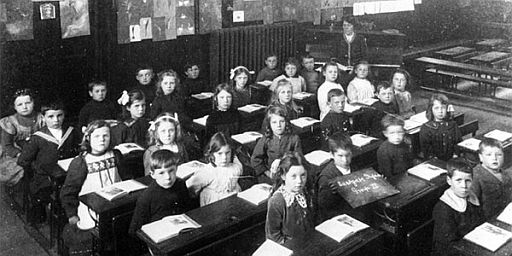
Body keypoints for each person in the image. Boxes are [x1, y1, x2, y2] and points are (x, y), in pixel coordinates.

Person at [60, 120, 125, 255]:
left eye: (105, 136)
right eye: (96, 136)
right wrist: (71, 214)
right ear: (88, 138)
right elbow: (68, 192)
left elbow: (125, 178)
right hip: (91, 208)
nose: (102, 140)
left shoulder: (116, 155)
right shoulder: (81, 162)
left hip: (115, 203)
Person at [18, 100, 80, 222]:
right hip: (45, 179)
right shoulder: (37, 138)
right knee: (46, 193)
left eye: (59, 115)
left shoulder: (71, 132)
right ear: (43, 117)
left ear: (64, 115)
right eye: (51, 116)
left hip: (68, 175)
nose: (56, 120)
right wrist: (38, 167)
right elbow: (23, 160)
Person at [129, 150, 194, 235]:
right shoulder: (146, 197)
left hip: (181, 232)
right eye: (161, 173)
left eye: (171, 171)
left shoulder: (180, 184)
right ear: (152, 174)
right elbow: (134, 231)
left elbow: (188, 210)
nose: (167, 177)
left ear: (176, 169)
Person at [432, 158, 483, 256]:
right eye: (458, 180)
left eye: (468, 181)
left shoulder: (472, 198)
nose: (464, 185)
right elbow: (447, 246)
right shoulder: (443, 208)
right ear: (449, 180)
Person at [265, 152, 314, 246]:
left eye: (303, 175)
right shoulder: (277, 200)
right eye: (293, 176)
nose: (299, 181)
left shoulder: (305, 192)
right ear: (283, 176)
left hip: (307, 243)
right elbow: (273, 236)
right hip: (288, 247)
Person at [317, 132, 366, 221]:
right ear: (332, 155)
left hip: (357, 210)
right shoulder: (326, 177)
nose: (345, 160)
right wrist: (330, 193)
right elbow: (324, 206)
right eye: (340, 156)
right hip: (341, 217)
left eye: (348, 155)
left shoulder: (355, 167)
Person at [0, 89, 44, 185]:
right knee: (19, 172)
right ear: (15, 107)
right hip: (15, 155)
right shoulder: (10, 122)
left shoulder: (41, 118)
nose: (24, 107)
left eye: (28, 103)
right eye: (20, 104)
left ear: (33, 103)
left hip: (37, 152)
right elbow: (7, 145)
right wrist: (21, 155)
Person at [186, 132, 243, 206]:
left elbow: (238, 169)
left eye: (227, 153)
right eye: (220, 153)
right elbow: (191, 186)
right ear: (212, 153)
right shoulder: (209, 171)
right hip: (214, 203)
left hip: (233, 198)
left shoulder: (235, 166)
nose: (224, 158)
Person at [251, 106, 302, 184]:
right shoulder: (266, 139)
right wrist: (267, 173)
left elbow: (298, 157)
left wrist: (282, 160)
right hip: (271, 176)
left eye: (282, 121)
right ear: (269, 124)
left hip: (290, 175)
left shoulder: (294, 138)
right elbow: (255, 159)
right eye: (274, 122)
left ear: (286, 122)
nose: (278, 125)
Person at [470, 138, 512, 219]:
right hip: (488, 219)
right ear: (481, 157)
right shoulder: (476, 176)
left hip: (506, 214)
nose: (494, 158)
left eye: (499, 155)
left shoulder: (506, 174)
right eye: (489, 155)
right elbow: (473, 207)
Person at [419, 93, 461, 161]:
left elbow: (458, 143)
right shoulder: (426, 128)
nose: (440, 111)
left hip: (452, 160)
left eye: (443, 108)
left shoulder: (453, 125)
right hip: (435, 162)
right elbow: (427, 150)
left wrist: (455, 155)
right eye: (436, 108)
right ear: (431, 110)